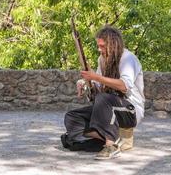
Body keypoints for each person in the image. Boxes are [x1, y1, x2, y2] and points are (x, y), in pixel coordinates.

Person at [61, 25, 145, 160]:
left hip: (130, 111)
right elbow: (99, 83)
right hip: (107, 107)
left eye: (103, 46)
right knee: (72, 118)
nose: (99, 49)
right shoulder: (102, 59)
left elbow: (124, 86)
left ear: (113, 44)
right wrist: (83, 82)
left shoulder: (128, 58)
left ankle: (110, 145)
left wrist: (95, 77)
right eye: (98, 46)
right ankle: (110, 135)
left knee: (103, 99)